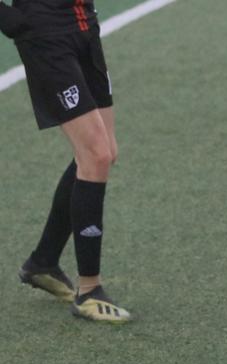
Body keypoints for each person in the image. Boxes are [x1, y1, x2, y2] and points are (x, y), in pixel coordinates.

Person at [1, 0, 130, 322]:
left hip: (84, 24)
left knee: (105, 153)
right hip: (46, 33)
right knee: (95, 155)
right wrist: (9, 19)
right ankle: (89, 291)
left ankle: (42, 262)